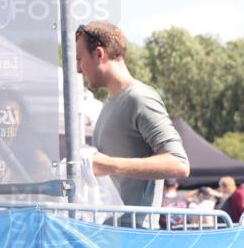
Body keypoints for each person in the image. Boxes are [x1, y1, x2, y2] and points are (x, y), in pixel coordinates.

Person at [75, 21, 189, 226]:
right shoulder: (111, 102)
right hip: (114, 236)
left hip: (135, 239)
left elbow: (179, 164)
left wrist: (109, 165)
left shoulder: (139, 98)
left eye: (80, 59)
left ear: (99, 54)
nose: (78, 69)